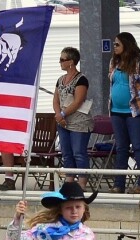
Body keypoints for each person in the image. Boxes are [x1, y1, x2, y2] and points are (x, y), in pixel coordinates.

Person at [108, 31, 140, 194]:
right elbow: (112, 81)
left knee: (137, 146)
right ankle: (119, 184)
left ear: (126, 45)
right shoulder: (114, 62)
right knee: (121, 147)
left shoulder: (139, 62)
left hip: (135, 111)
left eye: (117, 44)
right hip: (116, 110)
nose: (114, 47)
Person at [53, 46, 93, 189]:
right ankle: (69, 179)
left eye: (62, 59)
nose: (60, 62)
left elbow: (78, 101)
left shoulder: (81, 79)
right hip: (63, 122)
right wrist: (58, 115)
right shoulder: (60, 79)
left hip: (79, 122)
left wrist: (63, 114)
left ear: (71, 62)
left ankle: (82, 182)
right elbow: (56, 99)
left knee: (79, 152)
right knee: (66, 152)